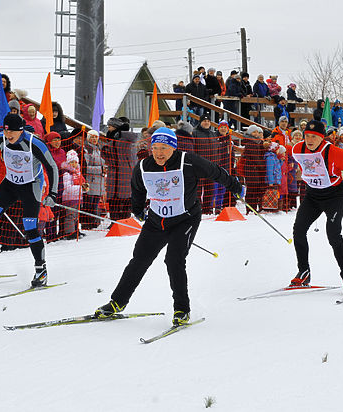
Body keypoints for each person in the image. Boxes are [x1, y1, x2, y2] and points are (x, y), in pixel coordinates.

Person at [93, 127, 245, 325]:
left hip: (185, 219)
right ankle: (117, 302)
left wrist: (235, 186)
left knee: (173, 260)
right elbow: (137, 189)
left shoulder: (188, 161)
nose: (158, 153)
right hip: (156, 221)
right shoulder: (143, 166)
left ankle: (182, 309)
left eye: (163, 148)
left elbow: (215, 172)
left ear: (173, 147)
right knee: (139, 260)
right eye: (155, 148)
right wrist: (138, 210)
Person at [0, 113, 59, 287]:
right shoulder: (1, 138)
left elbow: (52, 166)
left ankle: (41, 270)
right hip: (10, 183)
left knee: (30, 228)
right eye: (6, 131)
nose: (8, 136)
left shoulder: (34, 143)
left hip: (31, 185)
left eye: (12, 133)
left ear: (20, 131)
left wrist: (53, 194)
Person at [290, 120, 343, 293]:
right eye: (307, 135)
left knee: (333, 234)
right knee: (298, 230)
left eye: (314, 137)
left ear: (322, 138)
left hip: (333, 196)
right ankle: (304, 271)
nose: (309, 140)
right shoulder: (298, 149)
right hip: (313, 196)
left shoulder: (335, 152)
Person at [101, 117, 138, 221]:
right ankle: (114, 221)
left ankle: (125, 220)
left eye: (110, 126)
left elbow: (134, 137)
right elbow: (107, 157)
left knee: (125, 198)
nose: (108, 129)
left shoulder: (126, 139)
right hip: (113, 174)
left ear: (116, 127)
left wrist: (122, 133)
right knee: (113, 199)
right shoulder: (111, 139)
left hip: (125, 173)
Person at [82, 129, 105, 230]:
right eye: (92, 137)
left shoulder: (99, 149)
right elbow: (85, 167)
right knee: (89, 204)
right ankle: (87, 223)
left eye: (96, 137)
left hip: (99, 182)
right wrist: (101, 169)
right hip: (90, 181)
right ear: (88, 138)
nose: (94, 139)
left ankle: (94, 222)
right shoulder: (87, 149)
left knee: (95, 204)